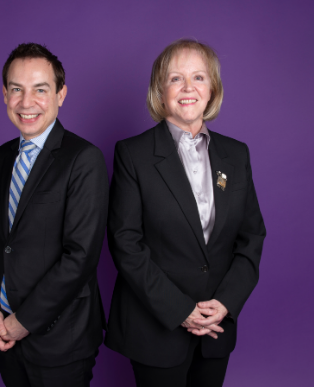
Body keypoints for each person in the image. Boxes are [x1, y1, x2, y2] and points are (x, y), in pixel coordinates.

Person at [104, 39, 266, 386]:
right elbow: (125, 243)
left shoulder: (237, 156)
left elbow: (251, 237)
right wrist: (182, 311)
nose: (188, 88)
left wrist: (226, 302)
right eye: (176, 78)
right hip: (155, 330)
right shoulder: (133, 155)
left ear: (213, 90)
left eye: (199, 78)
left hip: (216, 327)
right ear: (160, 91)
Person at [0, 43, 108, 387]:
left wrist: (24, 321)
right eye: (17, 89)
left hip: (61, 338)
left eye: (40, 89)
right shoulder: (1, 158)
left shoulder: (83, 159)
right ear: (5, 94)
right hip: (6, 334)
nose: (26, 102)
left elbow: (80, 257)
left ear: (61, 94)